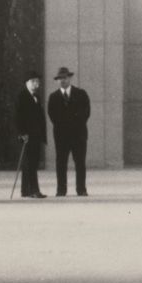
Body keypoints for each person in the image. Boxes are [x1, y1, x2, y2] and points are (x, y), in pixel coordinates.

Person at [47, 66, 91, 197]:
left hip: (79, 135)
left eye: (65, 78)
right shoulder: (53, 97)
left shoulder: (81, 94)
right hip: (61, 136)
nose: (62, 81)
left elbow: (86, 113)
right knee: (61, 163)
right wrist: (65, 125)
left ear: (70, 78)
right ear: (57, 80)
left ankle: (81, 189)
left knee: (80, 163)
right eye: (60, 78)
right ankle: (61, 190)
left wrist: (74, 124)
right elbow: (52, 115)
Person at [15, 73, 47, 198]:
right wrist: (22, 133)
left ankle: (26, 190)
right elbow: (18, 117)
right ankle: (34, 190)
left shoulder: (37, 97)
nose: (36, 84)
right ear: (27, 83)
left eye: (37, 81)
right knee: (30, 163)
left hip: (36, 136)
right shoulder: (22, 96)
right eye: (33, 81)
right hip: (27, 136)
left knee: (31, 163)